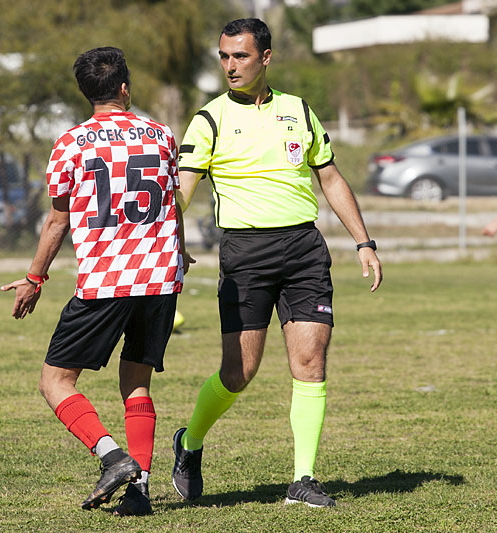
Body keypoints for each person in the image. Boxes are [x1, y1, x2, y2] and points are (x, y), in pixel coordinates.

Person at [170, 18, 383, 508]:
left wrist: (363, 242)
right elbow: (179, 195)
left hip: (304, 250)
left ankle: (302, 479)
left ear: (265, 57)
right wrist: (170, 242)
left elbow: (329, 177)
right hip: (245, 254)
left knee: (310, 362)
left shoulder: (299, 111)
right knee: (239, 372)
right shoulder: (209, 119)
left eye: (240, 56)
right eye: (224, 56)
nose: (230, 66)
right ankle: (190, 442)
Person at [1, 46, 185, 516]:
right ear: (124, 88)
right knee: (137, 385)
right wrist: (180, 253)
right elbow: (172, 206)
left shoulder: (71, 143)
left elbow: (57, 222)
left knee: (55, 381)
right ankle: (139, 493)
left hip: (106, 280)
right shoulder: (162, 136)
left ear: (87, 93)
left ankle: (113, 458)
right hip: (161, 278)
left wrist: (33, 278)